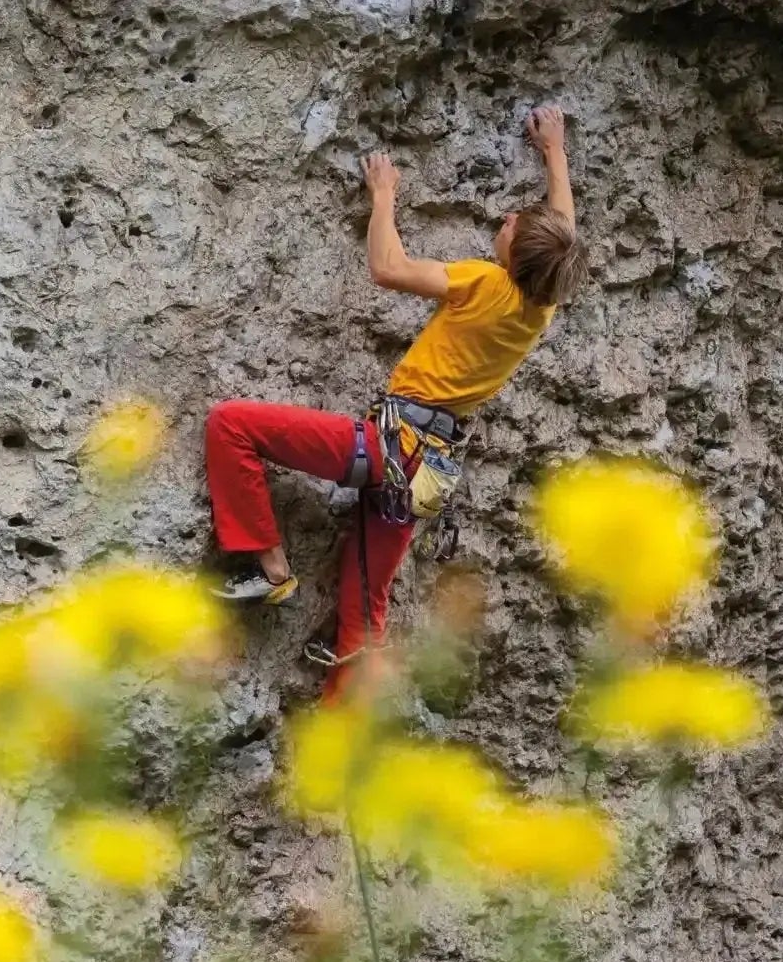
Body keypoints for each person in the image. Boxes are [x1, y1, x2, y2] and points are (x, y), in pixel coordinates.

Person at [203, 105, 587, 698]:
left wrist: (384, 196)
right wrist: (554, 152)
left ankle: (270, 567)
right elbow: (560, 228)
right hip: (425, 474)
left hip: (387, 447)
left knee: (232, 425)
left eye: (513, 225)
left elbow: (389, 268)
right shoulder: (542, 302)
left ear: (514, 259)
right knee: (363, 623)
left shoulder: (487, 284)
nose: (508, 217)